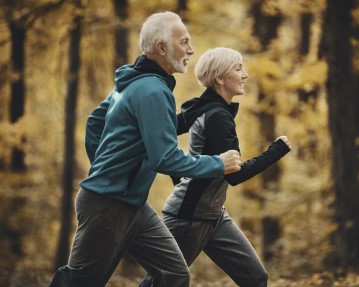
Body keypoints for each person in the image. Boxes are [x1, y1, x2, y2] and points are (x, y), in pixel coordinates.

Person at [48, 13, 242, 287]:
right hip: (108, 206)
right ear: (161, 48)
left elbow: (95, 122)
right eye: (184, 42)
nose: (191, 50)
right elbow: (165, 158)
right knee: (81, 281)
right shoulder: (152, 91)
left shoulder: (132, 84)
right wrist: (217, 163)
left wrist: (108, 168)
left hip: (134, 205)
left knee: (173, 274)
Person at [140, 47, 292, 287]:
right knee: (162, 282)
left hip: (214, 215)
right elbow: (235, 175)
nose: (245, 75)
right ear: (220, 78)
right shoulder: (216, 115)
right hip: (187, 218)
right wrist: (276, 151)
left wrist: (182, 179)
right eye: (238, 68)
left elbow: (166, 141)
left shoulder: (205, 109)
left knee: (255, 278)